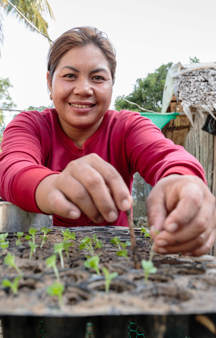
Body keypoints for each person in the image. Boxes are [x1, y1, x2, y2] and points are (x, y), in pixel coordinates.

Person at [0, 26, 215, 257]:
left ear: (112, 85)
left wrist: (184, 181)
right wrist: (52, 185)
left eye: (98, 78)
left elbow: (168, 156)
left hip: (118, 258)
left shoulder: (128, 127)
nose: (83, 89)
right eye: (70, 76)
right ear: (49, 82)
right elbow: (12, 168)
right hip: (45, 259)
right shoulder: (31, 125)